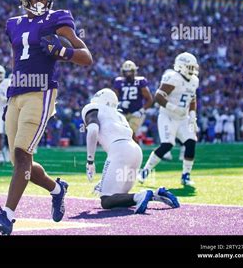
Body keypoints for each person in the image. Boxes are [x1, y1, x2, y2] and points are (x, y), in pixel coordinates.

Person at [0, 0, 93, 235]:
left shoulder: (58, 18)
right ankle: (57, 188)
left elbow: (86, 57)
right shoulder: (13, 24)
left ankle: (7, 217)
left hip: (41, 92)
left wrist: (63, 51)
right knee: (20, 161)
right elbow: (17, 59)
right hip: (16, 93)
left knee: (20, 156)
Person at [82, 88, 179, 213]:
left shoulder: (92, 108)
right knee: (119, 198)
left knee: (106, 200)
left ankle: (142, 195)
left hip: (120, 151)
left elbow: (93, 130)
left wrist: (90, 160)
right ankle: (156, 194)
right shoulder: (118, 115)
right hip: (135, 151)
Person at [137, 52, 199, 187]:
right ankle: (145, 171)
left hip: (183, 118)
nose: (192, 70)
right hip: (168, 116)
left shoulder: (194, 80)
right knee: (168, 145)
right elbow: (158, 96)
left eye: (193, 67)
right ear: (181, 66)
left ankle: (186, 176)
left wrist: (193, 114)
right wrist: (174, 108)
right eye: (189, 67)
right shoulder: (174, 78)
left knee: (191, 142)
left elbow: (192, 98)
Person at [113, 60, 153, 142]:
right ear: (123, 72)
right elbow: (113, 98)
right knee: (121, 134)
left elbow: (149, 100)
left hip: (136, 113)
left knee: (130, 133)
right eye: (126, 72)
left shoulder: (140, 81)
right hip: (122, 113)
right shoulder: (119, 82)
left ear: (134, 71)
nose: (128, 74)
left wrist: (141, 111)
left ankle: (136, 153)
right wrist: (120, 104)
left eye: (130, 71)